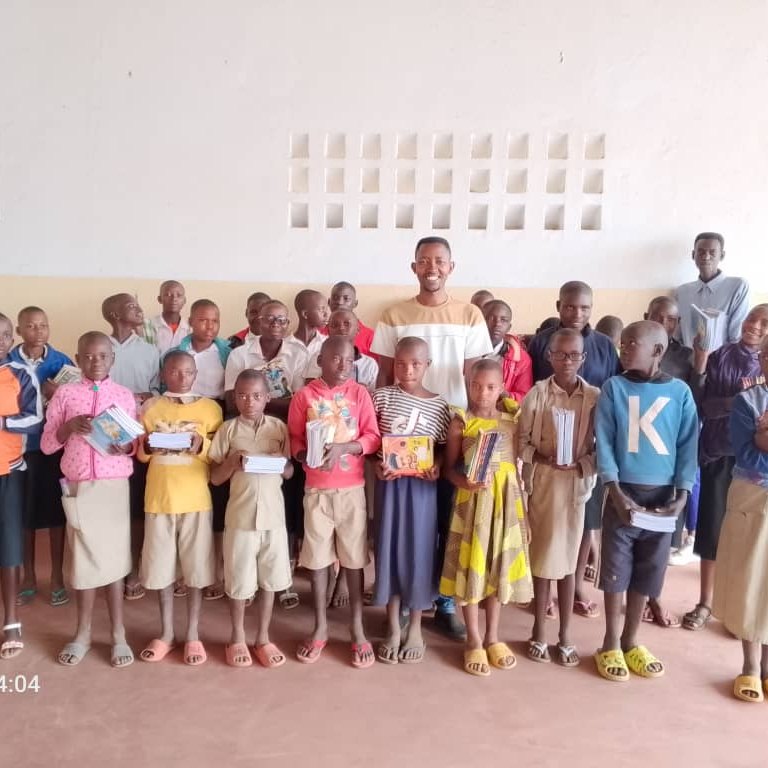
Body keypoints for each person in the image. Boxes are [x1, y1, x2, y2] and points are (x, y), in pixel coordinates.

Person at [372, 237, 492, 640]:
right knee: (410, 525)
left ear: (451, 267)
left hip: (453, 429)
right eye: (424, 261)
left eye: (439, 261)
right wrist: (387, 448)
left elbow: (477, 375)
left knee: (446, 520)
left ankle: (443, 601)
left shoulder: (470, 314)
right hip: (405, 440)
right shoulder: (394, 314)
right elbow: (386, 377)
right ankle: (406, 600)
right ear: (414, 267)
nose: (432, 267)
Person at [593, 321, 698, 682]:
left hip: (664, 498)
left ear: (657, 350)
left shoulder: (681, 393)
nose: (623, 348)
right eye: (622, 343)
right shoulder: (613, 388)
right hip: (623, 495)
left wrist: (682, 496)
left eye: (631, 344)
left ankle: (630, 641)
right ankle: (609, 642)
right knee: (615, 569)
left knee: (649, 569)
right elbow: (604, 441)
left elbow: (688, 447)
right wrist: (614, 490)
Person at [41, 331, 137, 667]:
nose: (95, 362)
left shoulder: (124, 396)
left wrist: (126, 447)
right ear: (78, 359)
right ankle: (82, 632)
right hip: (80, 486)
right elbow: (47, 444)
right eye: (88, 356)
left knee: (113, 563)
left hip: (113, 488)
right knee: (83, 564)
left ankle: (118, 634)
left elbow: (133, 444)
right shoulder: (65, 395)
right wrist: (68, 428)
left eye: (103, 356)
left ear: (113, 359)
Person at [527, 281, 621, 619]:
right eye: (570, 306)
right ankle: (543, 590)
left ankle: (576, 582)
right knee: (544, 524)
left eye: (584, 307)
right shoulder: (541, 343)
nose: (576, 313)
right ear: (558, 306)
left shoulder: (605, 347)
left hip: (584, 454)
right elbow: (535, 392)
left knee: (582, 522)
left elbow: (611, 393)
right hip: (547, 451)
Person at [287, 336, 380, 668]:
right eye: (336, 359)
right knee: (317, 559)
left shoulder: (359, 394)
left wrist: (345, 448)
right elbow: (295, 439)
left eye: (349, 360)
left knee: (354, 560)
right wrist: (305, 455)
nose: (343, 365)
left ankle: (356, 628)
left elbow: (372, 437)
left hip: (351, 489)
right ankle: (321, 626)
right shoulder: (305, 396)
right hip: (317, 491)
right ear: (320, 361)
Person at [440, 359, 532, 676]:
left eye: (491, 387)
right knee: (472, 567)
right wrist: (463, 481)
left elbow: (518, 471)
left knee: (497, 568)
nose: (483, 393)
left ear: (502, 387)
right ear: (469, 385)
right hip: (472, 505)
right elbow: (448, 469)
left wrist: (525, 514)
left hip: (506, 505)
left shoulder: (512, 421)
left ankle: (494, 636)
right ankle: (474, 639)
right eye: (476, 386)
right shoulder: (460, 422)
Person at [683, 305, 768, 632]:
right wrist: (742, 403)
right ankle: (706, 601)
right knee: (713, 531)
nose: (755, 327)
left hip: (758, 468)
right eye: (751, 319)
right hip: (721, 453)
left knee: (752, 541)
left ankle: (742, 611)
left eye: (764, 324)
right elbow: (702, 402)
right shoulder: (721, 356)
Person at [519, 329, 599, 667]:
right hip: (544, 485)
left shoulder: (595, 398)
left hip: (576, 489)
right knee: (541, 561)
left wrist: (582, 464)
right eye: (560, 354)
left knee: (570, 564)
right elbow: (520, 441)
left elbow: (603, 448)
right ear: (549, 356)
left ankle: (565, 634)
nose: (567, 361)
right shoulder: (536, 395)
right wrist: (542, 459)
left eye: (574, 355)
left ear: (583, 358)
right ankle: (538, 628)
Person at [137, 351, 222, 665]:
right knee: (160, 570)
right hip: (159, 499)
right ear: (163, 375)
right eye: (174, 371)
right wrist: (148, 445)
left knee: (196, 570)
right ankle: (166, 633)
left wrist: (201, 446)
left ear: (195, 374)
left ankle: (193, 633)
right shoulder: (151, 407)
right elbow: (140, 451)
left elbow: (217, 452)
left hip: (196, 499)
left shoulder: (210, 408)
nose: (181, 377)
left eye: (187, 372)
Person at [372, 337, 451, 665]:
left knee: (420, 551)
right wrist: (376, 464)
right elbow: (370, 441)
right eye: (401, 363)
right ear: (393, 364)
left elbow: (445, 449)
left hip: (422, 491)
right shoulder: (381, 397)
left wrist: (438, 466)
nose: (407, 369)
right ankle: (393, 624)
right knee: (388, 549)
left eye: (416, 364)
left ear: (427, 365)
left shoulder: (440, 405)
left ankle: (416, 625)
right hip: (390, 487)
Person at [223, 299, 306, 609]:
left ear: (288, 323)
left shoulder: (298, 353)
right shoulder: (239, 354)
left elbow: (300, 403)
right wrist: (261, 400)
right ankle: (245, 581)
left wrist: (259, 400)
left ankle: (279, 578)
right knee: (246, 505)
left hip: (283, 436)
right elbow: (232, 401)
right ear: (256, 319)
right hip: (246, 434)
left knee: (281, 508)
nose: (276, 324)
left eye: (282, 320)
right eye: (269, 318)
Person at [209, 370, 294, 668]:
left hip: (273, 518)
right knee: (239, 582)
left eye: (257, 395)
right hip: (241, 519)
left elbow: (289, 472)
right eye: (243, 395)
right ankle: (237, 637)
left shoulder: (279, 429)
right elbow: (215, 478)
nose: (250, 401)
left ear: (267, 398)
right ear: (234, 398)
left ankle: (263, 638)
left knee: (270, 580)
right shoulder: (228, 431)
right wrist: (233, 462)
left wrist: (279, 463)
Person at [711, 335, 768, 702]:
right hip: (753, 500)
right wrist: (760, 439)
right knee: (751, 577)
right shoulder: (749, 402)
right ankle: (749, 666)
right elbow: (748, 457)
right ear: (762, 360)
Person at [9, 307, 73, 607]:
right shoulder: (6, 362)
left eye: (43, 326)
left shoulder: (61, 362)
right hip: (19, 448)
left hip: (54, 449)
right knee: (24, 515)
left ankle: (58, 577)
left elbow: (76, 404)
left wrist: (58, 393)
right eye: (31, 326)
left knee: (55, 514)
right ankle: (29, 577)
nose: (38, 331)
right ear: (20, 331)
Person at [172, 299, 231, 600]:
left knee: (216, 500)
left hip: (216, 418)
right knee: (188, 499)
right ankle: (186, 570)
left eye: (215, 321)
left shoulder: (225, 352)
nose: (209, 326)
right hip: (182, 420)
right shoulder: (177, 352)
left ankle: (216, 572)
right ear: (191, 322)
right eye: (203, 320)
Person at [102, 292, 160, 600]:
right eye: (131, 307)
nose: (139, 310)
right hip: (106, 438)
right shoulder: (99, 348)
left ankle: (134, 569)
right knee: (111, 508)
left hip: (139, 433)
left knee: (137, 506)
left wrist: (142, 397)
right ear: (113, 315)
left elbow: (156, 390)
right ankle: (111, 568)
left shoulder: (150, 350)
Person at [0, 313, 42, 660]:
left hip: (9, 471)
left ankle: (11, 621)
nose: (0, 341)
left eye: (5, 335)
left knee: (9, 544)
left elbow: (34, 417)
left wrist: (3, 421)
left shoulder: (19, 373)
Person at [674, 232, 750, 350]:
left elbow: (736, 335)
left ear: (722, 255)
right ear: (693, 255)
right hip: (688, 362)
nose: (706, 256)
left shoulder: (738, 286)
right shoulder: (682, 292)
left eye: (712, 252)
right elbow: (678, 334)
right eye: (701, 252)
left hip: (721, 363)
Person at [482, 299, 533, 403]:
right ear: (481, 322)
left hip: (501, 412)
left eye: (503, 320)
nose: (497, 324)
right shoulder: (465, 351)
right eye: (491, 318)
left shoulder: (520, 359)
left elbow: (525, 396)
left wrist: (505, 395)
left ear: (509, 327)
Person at [326, 309, 378, 392]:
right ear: (328, 331)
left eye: (347, 324)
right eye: (335, 325)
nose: (341, 328)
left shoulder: (369, 364)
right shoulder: (321, 358)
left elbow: (371, 397)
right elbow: (311, 391)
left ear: (357, 330)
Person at [142, 280, 190, 354]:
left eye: (179, 295)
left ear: (184, 300)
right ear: (160, 299)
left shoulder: (190, 327)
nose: (174, 299)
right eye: (168, 295)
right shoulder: (147, 325)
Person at [328, 282, 375, 357]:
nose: (340, 302)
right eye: (335, 298)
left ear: (355, 303)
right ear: (329, 302)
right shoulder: (318, 334)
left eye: (346, 299)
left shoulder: (370, 336)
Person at [292, 289, 330, 363]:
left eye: (326, 309)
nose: (326, 314)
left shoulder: (327, 343)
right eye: (321, 309)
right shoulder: (284, 345)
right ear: (305, 314)